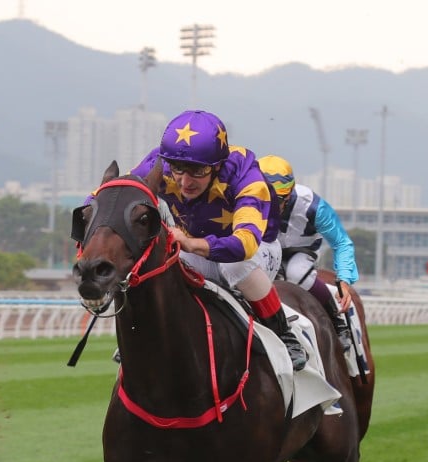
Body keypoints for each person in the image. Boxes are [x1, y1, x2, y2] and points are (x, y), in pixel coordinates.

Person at [127, 110, 307, 370]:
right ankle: (146, 331)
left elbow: (244, 245)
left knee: (234, 265)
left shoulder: (246, 174)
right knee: (159, 256)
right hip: (198, 247)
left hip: (256, 250)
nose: (185, 181)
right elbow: (110, 194)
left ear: (218, 165)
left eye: (197, 171)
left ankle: (283, 332)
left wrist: (190, 244)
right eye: (178, 169)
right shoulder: (160, 162)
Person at [257, 155, 357, 351]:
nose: (271, 206)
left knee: (296, 272)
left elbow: (342, 242)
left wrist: (344, 281)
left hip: (300, 250)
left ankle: (337, 322)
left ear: (290, 192)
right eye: (265, 198)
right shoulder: (244, 199)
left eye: (278, 199)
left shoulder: (313, 205)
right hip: (265, 246)